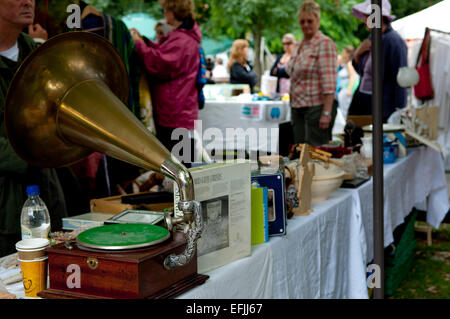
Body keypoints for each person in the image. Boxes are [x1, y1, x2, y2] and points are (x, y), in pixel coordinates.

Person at [0, 0, 67, 257]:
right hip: (5, 210)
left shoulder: (37, 54)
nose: (28, 1)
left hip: (47, 195)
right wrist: (29, 156)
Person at [130, 0, 202, 154]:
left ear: (172, 11)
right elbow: (163, 53)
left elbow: (160, 63)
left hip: (174, 114)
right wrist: (144, 41)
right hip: (178, 113)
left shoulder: (182, 40)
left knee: (175, 166)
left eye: (165, 10)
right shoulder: (183, 37)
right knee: (177, 164)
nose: (164, 14)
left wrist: (138, 43)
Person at [286, 0, 338, 146]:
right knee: (298, 153)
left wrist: (326, 113)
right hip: (297, 107)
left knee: (315, 155)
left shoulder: (324, 43)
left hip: (316, 108)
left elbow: (329, 83)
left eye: (310, 21)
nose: (306, 25)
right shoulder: (298, 45)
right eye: (302, 21)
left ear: (318, 21)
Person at [348, 0, 407, 123]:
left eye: (367, 16)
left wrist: (399, 112)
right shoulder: (371, 39)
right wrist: (357, 54)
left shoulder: (393, 41)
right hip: (364, 102)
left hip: (384, 108)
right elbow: (363, 72)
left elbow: (400, 79)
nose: (364, 20)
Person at [336, 46, 358, 119]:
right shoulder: (343, 63)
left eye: (344, 52)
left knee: (343, 110)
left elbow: (352, 77)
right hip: (342, 89)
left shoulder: (349, 64)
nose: (342, 53)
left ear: (348, 53)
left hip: (346, 90)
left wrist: (349, 90)